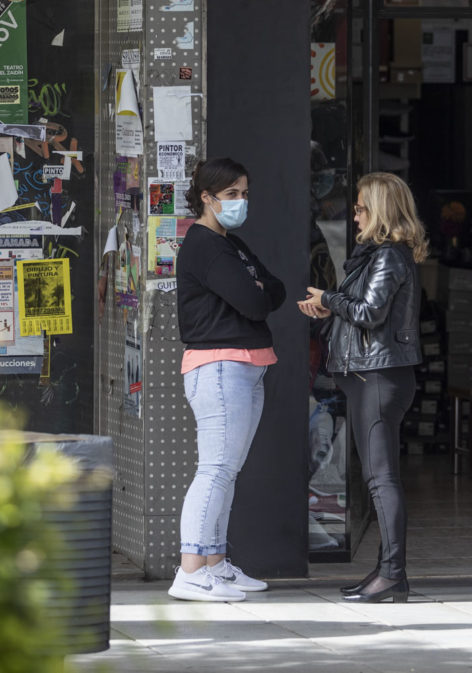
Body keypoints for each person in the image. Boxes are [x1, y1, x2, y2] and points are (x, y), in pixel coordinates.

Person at [297, 171, 427, 604]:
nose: (353, 216)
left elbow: (370, 312)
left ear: (379, 210)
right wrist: (331, 308)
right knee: (377, 476)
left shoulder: (388, 256)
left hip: (377, 376)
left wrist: (330, 299)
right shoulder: (380, 256)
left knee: (380, 478)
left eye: (359, 208)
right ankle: (386, 570)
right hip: (373, 374)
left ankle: (393, 574)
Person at [169, 157, 286, 602]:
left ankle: (215, 563)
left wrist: (258, 293)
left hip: (245, 364)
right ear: (206, 197)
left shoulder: (230, 244)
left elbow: (274, 289)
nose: (240, 202)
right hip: (220, 366)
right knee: (215, 469)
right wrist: (256, 294)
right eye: (232, 194)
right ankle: (191, 569)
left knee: (227, 471)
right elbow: (257, 304)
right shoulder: (203, 245)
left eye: (244, 193)